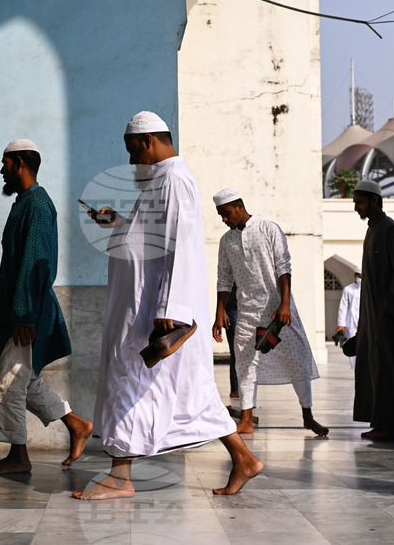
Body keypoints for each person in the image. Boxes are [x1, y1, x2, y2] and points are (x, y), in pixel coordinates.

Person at [76, 111, 263, 500]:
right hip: (143, 306)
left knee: (131, 381)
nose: (130, 162)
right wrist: (119, 223)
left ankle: (120, 475)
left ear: (147, 142)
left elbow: (181, 242)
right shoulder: (159, 181)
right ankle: (243, 459)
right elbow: (151, 239)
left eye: (132, 152)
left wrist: (172, 306)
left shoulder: (175, 179)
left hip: (155, 312)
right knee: (189, 393)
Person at [0, 139, 93, 475]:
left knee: (6, 385)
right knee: (24, 381)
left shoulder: (38, 206)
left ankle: (18, 457)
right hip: (21, 312)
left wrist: (24, 313)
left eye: (4, 163)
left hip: (29, 314)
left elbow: (35, 264)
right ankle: (76, 424)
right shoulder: (26, 203)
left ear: (20, 163)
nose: (1, 170)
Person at [211, 188, 327, 437]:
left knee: (296, 358)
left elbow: (283, 266)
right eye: (220, 215)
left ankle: (308, 416)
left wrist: (285, 304)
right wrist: (220, 312)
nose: (224, 219)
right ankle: (246, 419)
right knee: (245, 364)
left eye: (226, 213)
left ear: (240, 206)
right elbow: (224, 278)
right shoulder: (226, 241)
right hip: (246, 312)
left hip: (278, 311)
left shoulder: (268, 229)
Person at [351, 179, 394, 441]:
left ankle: (390, 425)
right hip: (371, 317)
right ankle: (380, 422)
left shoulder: (389, 229)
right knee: (372, 367)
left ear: (374, 200)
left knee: (387, 369)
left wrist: (389, 309)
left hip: (386, 316)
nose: (357, 208)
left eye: (359, 202)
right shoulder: (372, 230)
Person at [335, 271, 361, 369]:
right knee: (352, 346)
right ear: (355, 276)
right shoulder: (348, 289)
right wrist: (341, 324)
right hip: (351, 322)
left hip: (364, 321)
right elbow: (343, 307)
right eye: (359, 276)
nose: (361, 279)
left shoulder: (368, 288)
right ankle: (356, 369)